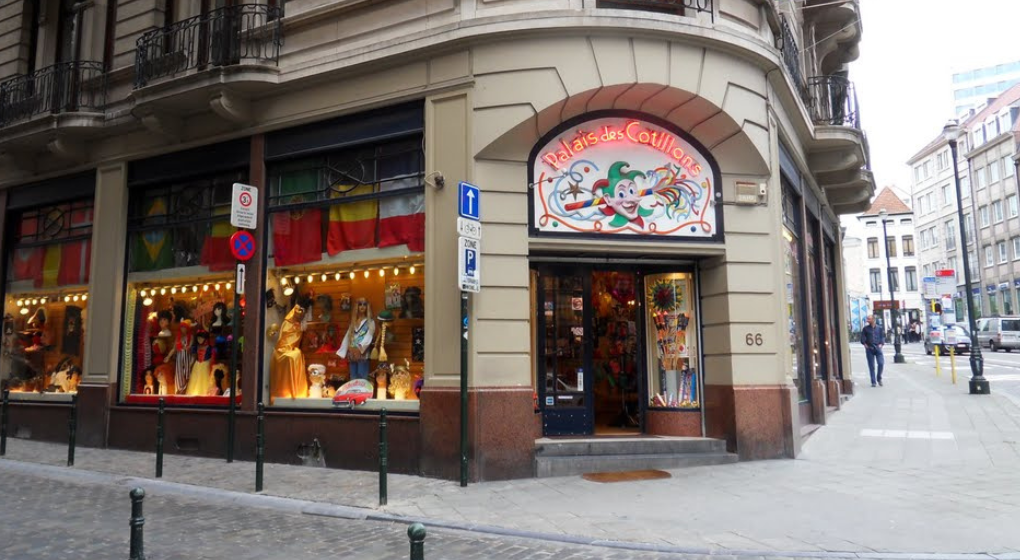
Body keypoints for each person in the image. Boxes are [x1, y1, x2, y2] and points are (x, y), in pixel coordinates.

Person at [861, 314, 885, 387]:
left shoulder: (879, 328)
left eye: (869, 319)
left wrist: (881, 344)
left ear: (873, 319)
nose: (867, 320)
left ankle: (879, 378)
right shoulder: (865, 329)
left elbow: (882, 337)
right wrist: (865, 345)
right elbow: (862, 338)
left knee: (881, 363)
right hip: (869, 348)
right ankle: (873, 382)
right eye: (867, 319)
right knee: (871, 366)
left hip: (878, 348)